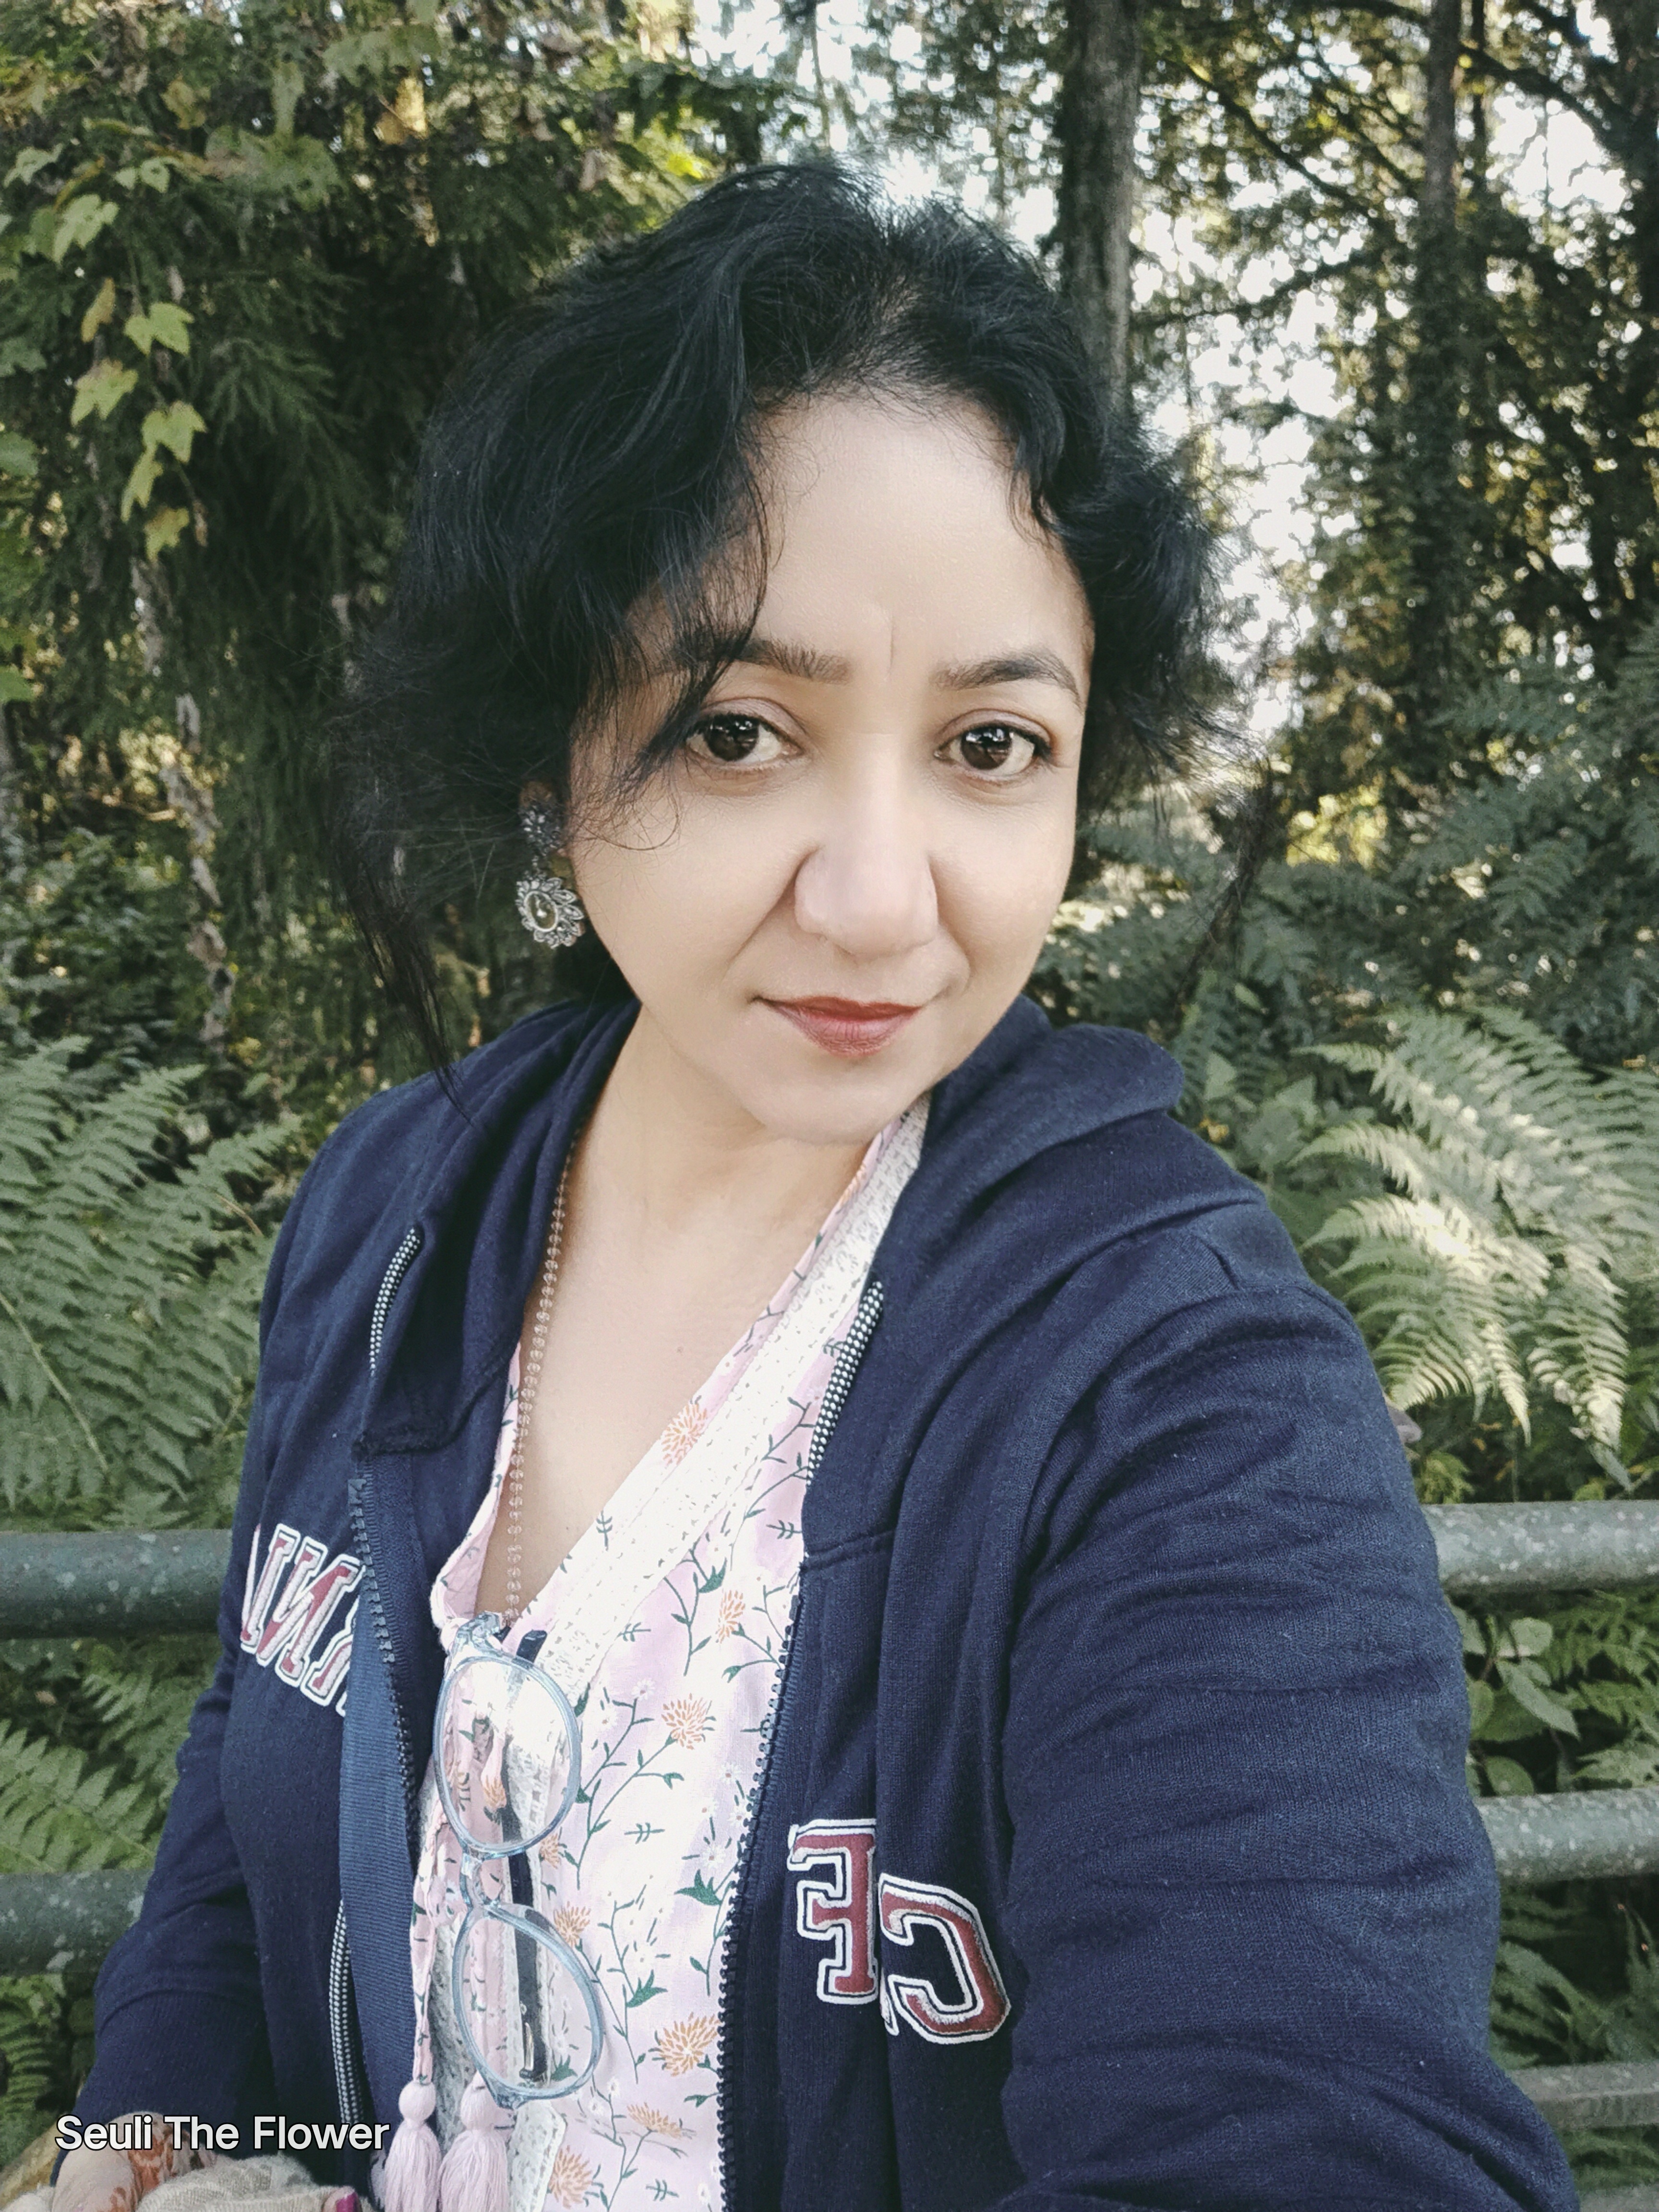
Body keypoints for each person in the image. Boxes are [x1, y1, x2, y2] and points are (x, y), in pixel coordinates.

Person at [52, 162, 1575, 2212]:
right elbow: (262, 1760)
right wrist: (165, 2123)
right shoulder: (394, 1214)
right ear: (550, 756)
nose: (877, 900)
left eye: (992, 747)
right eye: (740, 730)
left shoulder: (1179, 1394)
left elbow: (1314, 2131)